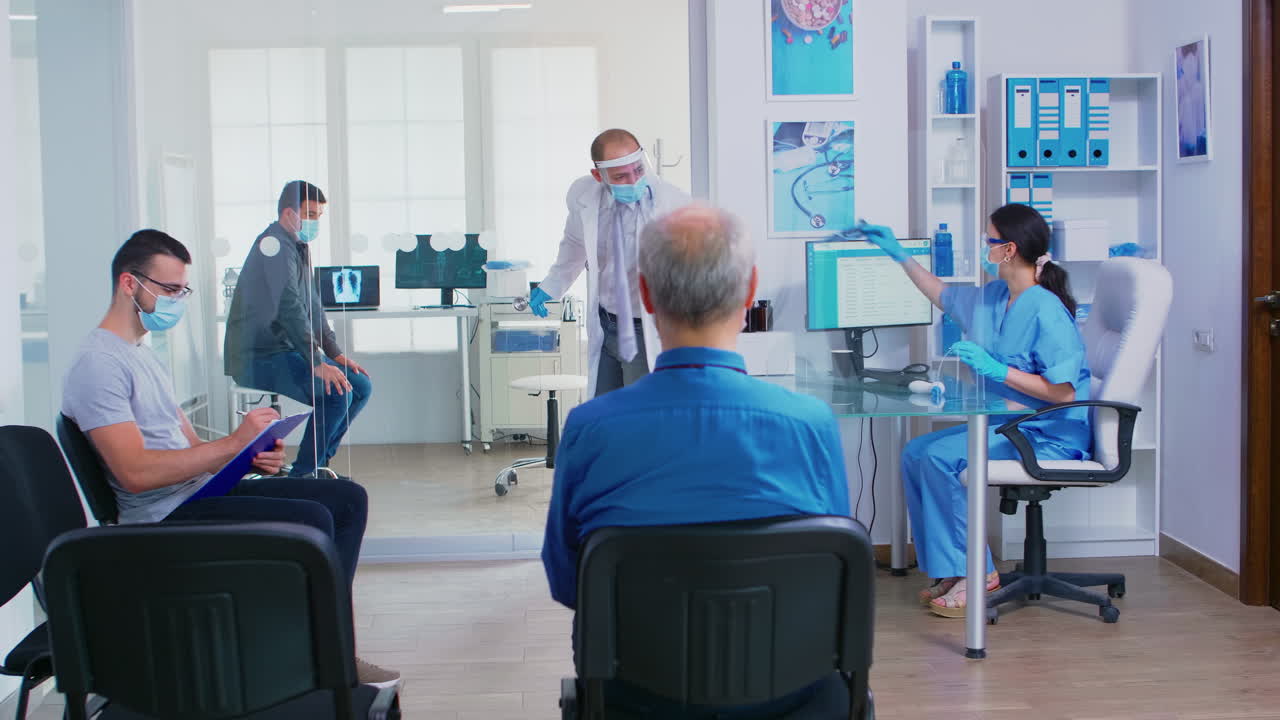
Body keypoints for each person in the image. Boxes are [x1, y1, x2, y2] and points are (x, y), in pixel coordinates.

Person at [542, 205, 851, 717]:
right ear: (750, 292)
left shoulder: (591, 427)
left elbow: (566, 580)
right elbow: (838, 573)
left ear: (643, 294)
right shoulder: (810, 423)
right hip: (795, 696)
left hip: (637, 696)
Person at [62, 230, 399, 687]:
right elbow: (135, 474)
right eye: (168, 290)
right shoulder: (98, 364)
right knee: (314, 520)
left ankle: (325, 648)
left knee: (347, 498)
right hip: (165, 516)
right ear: (129, 284)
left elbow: (188, 447)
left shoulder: (140, 355)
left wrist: (246, 454)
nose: (177, 301)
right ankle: (314, 659)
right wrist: (233, 443)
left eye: (183, 290)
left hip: (194, 492)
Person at [859, 204, 1091, 618]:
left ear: (1009, 250)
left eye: (990, 241)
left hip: (1046, 434)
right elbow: (941, 293)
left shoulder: (1046, 308)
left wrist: (999, 370)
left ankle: (978, 572)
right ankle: (953, 568)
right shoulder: (994, 297)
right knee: (916, 452)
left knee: (938, 458)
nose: (984, 247)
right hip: (1007, 424)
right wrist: (898, 254)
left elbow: (1064, 394)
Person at [224, 180, 372, 478]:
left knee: (360, 386)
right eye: (310, 214)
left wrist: (334, 352)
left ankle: (317, 465)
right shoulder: (275, 246)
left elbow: (312, 304)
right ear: (290, 213)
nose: (315, 222)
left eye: (319, 215)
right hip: (257, 357)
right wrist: (316, 361)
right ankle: (303, 477)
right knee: (336, 392)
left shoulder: (297, 245)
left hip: (284, 350)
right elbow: (289, 305)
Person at [529, 128, 691, 398]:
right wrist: (551, 286)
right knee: (605, 413)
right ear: (598, 176)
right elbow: (574, 244)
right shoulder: (584, 197)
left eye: (638, 170)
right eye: (621, 177)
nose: (633, 181)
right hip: (605, 324)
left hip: (644, 331)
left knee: (637, 417)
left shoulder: (673, 206)